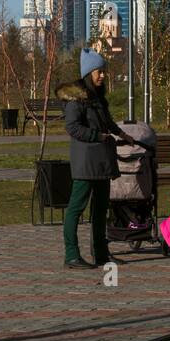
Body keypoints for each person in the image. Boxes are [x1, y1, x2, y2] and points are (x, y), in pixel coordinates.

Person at [57, 48, 128, 270]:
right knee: (76, 209)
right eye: (99, 71)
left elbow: (106, 121)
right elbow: (73, 128)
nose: (103, 75)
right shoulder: (76, 99)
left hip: (102, 161)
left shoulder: (97, 97)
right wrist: (97, 136)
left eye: (104, 71)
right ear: (89, 72)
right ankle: (71, 255)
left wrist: (122, 133)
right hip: (86, 162)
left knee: (100, 209)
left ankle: (101, 253)